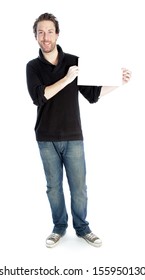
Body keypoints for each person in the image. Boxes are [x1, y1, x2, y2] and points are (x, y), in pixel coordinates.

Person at [26, 12, 131, 248]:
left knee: (79, 188)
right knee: (53, 188)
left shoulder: (73, 61)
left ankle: (83, 228)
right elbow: (39, 96)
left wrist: (118, 82)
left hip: (73, 137)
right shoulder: (32, 67)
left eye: (50, 31)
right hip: (46, 138)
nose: (46, 37)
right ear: (36, 37)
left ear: (57, 34)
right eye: (41, 32)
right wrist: (66, 79)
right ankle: (59, 227)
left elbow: (92, 95)